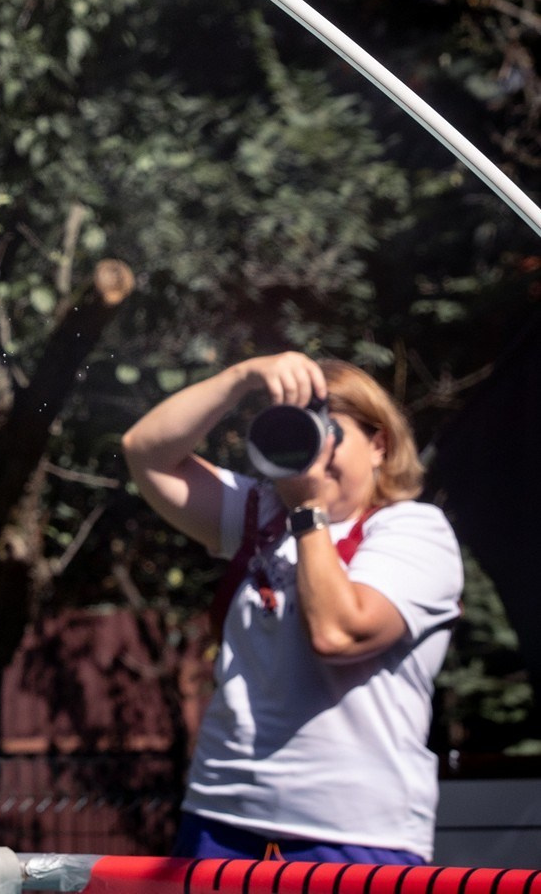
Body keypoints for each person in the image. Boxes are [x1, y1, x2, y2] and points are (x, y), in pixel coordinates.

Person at [122, 351, 462, 864]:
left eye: (327, 433)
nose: (309, 454)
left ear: (378, 444)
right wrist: (240, 378)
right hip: (222, 816)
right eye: (294, 433)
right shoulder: (259, 514)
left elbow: (338, 635)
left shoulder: (415, 530)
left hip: (354, 832)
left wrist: (307, 512)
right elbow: (144, 452)